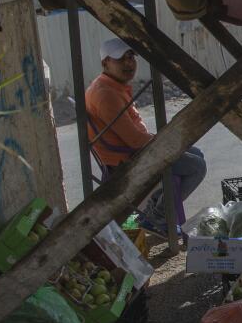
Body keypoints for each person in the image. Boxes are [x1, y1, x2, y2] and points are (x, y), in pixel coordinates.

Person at [85, 37, 207, 233]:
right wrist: (163, 141)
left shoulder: (112, 85)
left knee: (196, 153)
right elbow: (134, 140)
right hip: (126, 161)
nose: (128, 63)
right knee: (197, 166)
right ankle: (157, 217)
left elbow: (135, 132)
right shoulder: (105, 93)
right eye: (120, 59)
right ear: (105, 63)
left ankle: (152, 212)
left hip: (133, 152)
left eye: (131, 57)